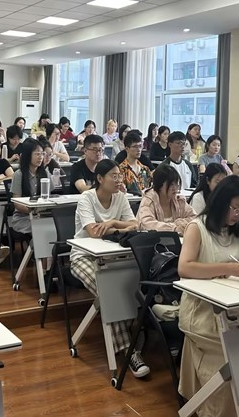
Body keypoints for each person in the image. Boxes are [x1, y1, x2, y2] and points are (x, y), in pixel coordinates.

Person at [177, 176, 239, 417]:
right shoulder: (197, 228)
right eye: (235, 208)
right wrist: (226, 268)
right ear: (221, 202)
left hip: (236, 311)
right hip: (202, 314)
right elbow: (185, 268)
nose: (238, 215)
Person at [69, 160, 144, 376]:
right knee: (109, 292)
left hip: (113, 256)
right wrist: (121, 228)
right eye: (114, 176)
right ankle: (128, 351)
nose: (119, 179)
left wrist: (112, 223)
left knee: (135, 287)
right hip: (83, 257)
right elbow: (93, 232)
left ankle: (135, 334)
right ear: (100, 179)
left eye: (120, 175)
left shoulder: (120, 197)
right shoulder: (87, 198)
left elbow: (136, 225)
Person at [137, 165, 196, 234]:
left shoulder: (179, 200)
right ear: (160, 185)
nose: (175, 188)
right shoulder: (148, 201)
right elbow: (146, 224)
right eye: (171, 184)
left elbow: (195, 218)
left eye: (176, 184)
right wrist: (173, 228)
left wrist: (179, 222)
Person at [10, 139, 50, 235]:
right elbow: (17, 203)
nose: (40, 157)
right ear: (28, 155)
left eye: (42, 154)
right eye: (37, 154)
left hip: (42, 216)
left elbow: (49, 197)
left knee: (52, 226)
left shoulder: (45, 173)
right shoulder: (19, 174)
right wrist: (34, 211)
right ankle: (35, 245)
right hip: (22, 218)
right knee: (42, 228)